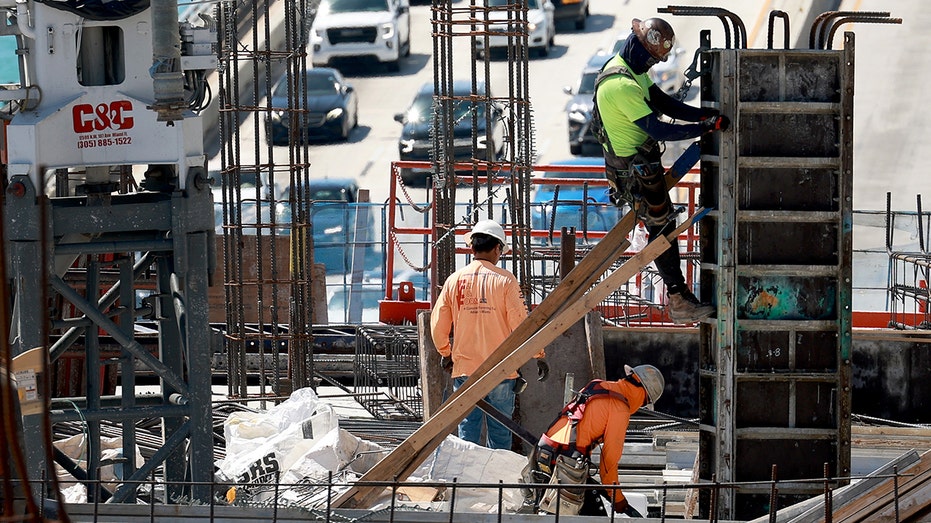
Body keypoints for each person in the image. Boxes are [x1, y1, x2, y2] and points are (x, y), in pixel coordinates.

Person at [595, 17, 731, 324]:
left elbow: (666, 104)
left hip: (643, 168)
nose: (652, 65)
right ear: (640, 48)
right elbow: (657, 129)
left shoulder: (629, 71)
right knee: (662, 233)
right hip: (635, 174)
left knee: (665, 230)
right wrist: (703, 128)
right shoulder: (622, 84)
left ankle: (680, 296)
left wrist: (705, 116)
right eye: (652, 58)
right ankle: (678, 299)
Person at [430, 219, 549, 450]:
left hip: (465, 369)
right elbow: (520, 324)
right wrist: (538, 354)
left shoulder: (454, 280)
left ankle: (467, 482)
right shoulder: (505, 280)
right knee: (500, 433)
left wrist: (446, 352)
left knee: (468, 433)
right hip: (500, 370)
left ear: (472, 248)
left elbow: (438, 324)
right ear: (498, 249)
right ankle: (498, 483)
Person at [519, 364, 665, 517]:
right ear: (643, 396)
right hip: (566, 466)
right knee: (594, 518)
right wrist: (618, 500)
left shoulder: (597, 385)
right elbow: (608, 464)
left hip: (544, 452)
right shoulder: (620, 409)